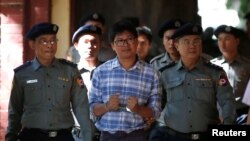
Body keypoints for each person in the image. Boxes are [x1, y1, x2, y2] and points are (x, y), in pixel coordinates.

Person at [5, 22, 93, 141]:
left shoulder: (70, 71)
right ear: (32, 44)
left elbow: (81, 106)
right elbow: (15, 110)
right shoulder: (22, 74)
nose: (49, 45)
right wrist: (11, 136)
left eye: (53, 41)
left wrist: (87, 137)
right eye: (44, 41)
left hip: (63, 136)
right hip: (32, 137)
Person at [150, 23, 236, 141]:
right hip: (173, 136)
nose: (192, 46)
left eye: (196, 41)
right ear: (177, 45)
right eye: (186, 41)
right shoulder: (165, 73)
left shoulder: (216, 73)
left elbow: (227, 102)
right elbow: (157, 104)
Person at [88, 20, 162, 141]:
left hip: (137, 135)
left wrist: (138, 109)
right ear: (112, 45)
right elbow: (91, 110)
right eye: (120, 41)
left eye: (130, 39)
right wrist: (107, 106)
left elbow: (155, 112)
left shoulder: (152, 74)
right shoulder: (100, 72)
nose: (125, 44)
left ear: (137, 42)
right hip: (108, 136)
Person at [211, 25, 250, 124]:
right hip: (218, 116)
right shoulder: (211, 66)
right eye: (219, 39)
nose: (222, 43)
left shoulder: (247, 65)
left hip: (243, 115)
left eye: (227, 39)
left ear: (237, 41)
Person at [71, 24, 103, 141]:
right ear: (76, 45)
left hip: (104, 134)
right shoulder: (69, 73)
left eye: (94, 42)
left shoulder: (109, 71)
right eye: (85, 42)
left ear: (100, 45)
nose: (90, 46)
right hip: (76, 134)